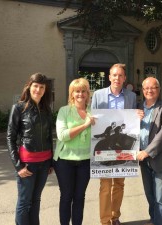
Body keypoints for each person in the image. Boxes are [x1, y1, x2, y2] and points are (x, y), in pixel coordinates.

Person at [91, 63, 138, 225]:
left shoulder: (131, 96)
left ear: (124, 78)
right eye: (114, 75)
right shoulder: (98, 95)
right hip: (106, 145)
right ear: (109, 77)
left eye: (120, 75)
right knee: (105, 185)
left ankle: (115, 216)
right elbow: (93, 119)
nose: (117, 78)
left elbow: (132, 120)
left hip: (121, 145)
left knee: (119, 183)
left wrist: (138, 115)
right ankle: (105, 220)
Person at [7, 73, 53, 225]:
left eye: (42, 87)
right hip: (27, 163)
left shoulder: (47, 110)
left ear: (45, 90)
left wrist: (51, 161)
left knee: (36, 199)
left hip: (44, 162)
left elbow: (48, 137)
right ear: (29, 87)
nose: (38, 90)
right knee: (25, 201)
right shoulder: (19, 108)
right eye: (36, 86)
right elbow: (10, 138)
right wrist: (18, 165)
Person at [53, 78, 95, 225]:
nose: (80, 94)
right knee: (66, 196)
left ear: (87, 94)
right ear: (72, 94)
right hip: (65, 161)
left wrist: (135, 116)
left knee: (79, 197)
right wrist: (85, 125)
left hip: (85, 162)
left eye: (84, 91)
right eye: (77, 91)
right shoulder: (64, 111)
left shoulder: (93, 112)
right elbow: (63, 135)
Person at [137, 77, 162, 225]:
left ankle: (161, 222)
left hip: (160, 158)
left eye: (153, 87)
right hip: (143, 160)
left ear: (159, 90)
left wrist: (147, 152)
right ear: (142, 90)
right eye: (146, 88)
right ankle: (154, 219)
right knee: (149, 194)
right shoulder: (138, 107)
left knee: (160, 197)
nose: (149, 90)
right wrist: (135, 120)